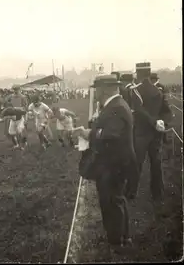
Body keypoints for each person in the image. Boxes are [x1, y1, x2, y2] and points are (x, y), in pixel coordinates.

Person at [73, 74, 136, 250]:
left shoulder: (116, 107)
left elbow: (111, 135)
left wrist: (89, 134)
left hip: (114, 163)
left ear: (106, 89)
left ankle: (118, 241)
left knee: (112, 201)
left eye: (98, 89)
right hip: (113, 162)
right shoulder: (114, 105)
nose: (97, 93)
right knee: (114, 200)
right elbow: (107, 130)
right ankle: (120, 236)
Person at [125, 62, 173, 203]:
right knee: (156, 163)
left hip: (141, 133)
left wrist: (153, 122)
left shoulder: (135, 90)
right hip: (156, 133)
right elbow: (167, 111)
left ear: (138, 74)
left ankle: (131, 191)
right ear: (149, 72)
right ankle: (158, 193)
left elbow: (139, 110)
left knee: (137, 163)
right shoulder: (158, 90)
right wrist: (161, 122)